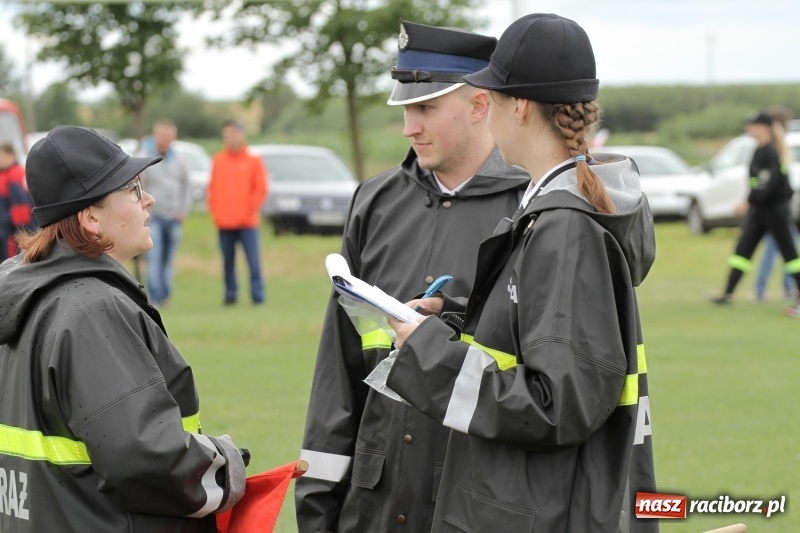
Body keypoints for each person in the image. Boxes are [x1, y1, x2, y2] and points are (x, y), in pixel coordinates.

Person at [384, 14, 658, 532]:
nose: (488, 116)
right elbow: (548, 343)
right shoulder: (563, 210)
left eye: (494, 99)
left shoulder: (565, 229)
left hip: (540, 514)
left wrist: (426, 353)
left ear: (522, 107)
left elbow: (556, 403)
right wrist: (455, 317)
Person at [295, 21, 530, 533]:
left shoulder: (534, 209)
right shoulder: (374, 203)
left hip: (477, 507)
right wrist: (318, 505)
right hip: (374, 508)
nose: (409, 127)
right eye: (406, 109)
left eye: (425, 108)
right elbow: (338, 368)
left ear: (479, 105)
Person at [0, 126, 246, 532]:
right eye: (132, 189)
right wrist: (225, 463)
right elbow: (146, 458)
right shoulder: (89, 308)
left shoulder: (28, 293)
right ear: (91, 218)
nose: (148, 199)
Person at [709, 111, 800, 317]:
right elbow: (756, 182)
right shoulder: (759, 149)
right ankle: (728, 294)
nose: (748, 128)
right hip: (760, 211)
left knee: (790, 254)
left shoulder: (771, 151)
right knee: (743, 250)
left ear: (764, 128)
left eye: (752, 125)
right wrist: (752, 201)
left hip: (775, 210)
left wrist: (748, 201)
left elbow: (769, 184)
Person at [207, 119, 268, 305]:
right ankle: (230, 294)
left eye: (234, 133)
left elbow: (260, 188)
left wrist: (249, 209)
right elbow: (213, 189)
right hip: (224, 222)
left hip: (247, 222)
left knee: (253, 261)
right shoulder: (218, 160)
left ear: (241, 134)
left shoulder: (253, 160)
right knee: (228, 262)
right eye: (227, 133)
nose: (230, 137)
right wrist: (216, 211)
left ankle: (257, 296)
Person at [137, 118, 192, 308]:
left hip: (174, 217)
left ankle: (166, 295)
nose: (166, 139)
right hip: (155, 217)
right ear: (155, 135)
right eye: (163, 135)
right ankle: (156, 297)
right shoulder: (145, 157)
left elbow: (187, 185)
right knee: (155, 257)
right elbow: (138, 186)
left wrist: (184, 210)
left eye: (169, 135)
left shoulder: (179, 160)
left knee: (168, 259)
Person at [0, 142, 36, 262]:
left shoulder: (14, 174)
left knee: (10, 262)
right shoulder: (7, 174)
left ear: (12, 155)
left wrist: (21, 230)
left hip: (11, 231)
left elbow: (20, 206)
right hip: (6, 228)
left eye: (2, 156)